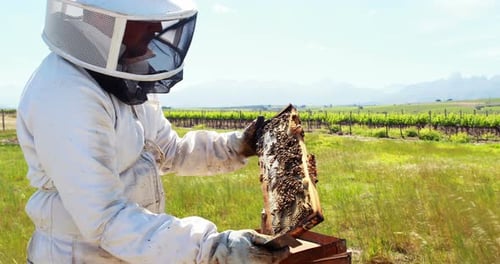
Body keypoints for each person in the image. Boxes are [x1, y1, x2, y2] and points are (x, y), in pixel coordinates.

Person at [16, 0, 289, 263]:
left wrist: (236, 145)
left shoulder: (121, 73)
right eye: (144, 16)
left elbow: (169, 150)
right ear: (102, 17)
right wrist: (211, 248)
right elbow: (105, 217)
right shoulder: (66, 95)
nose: (157, 27)